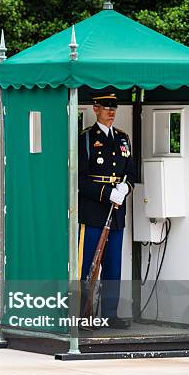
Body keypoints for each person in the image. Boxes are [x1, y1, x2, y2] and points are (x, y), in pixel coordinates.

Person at [78, 92, 136, 329]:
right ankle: (84, 314)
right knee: (90, 265)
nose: (111, 111)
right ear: (95, 109)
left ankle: (110, 314)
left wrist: (125, 188)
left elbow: (131, 173)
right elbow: (81, 180)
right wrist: (107, 193)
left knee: (113, 266)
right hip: (94, 212)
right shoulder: (86, 139)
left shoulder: (123, 139)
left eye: (114, 107)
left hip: (117, 213)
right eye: (106, 106)